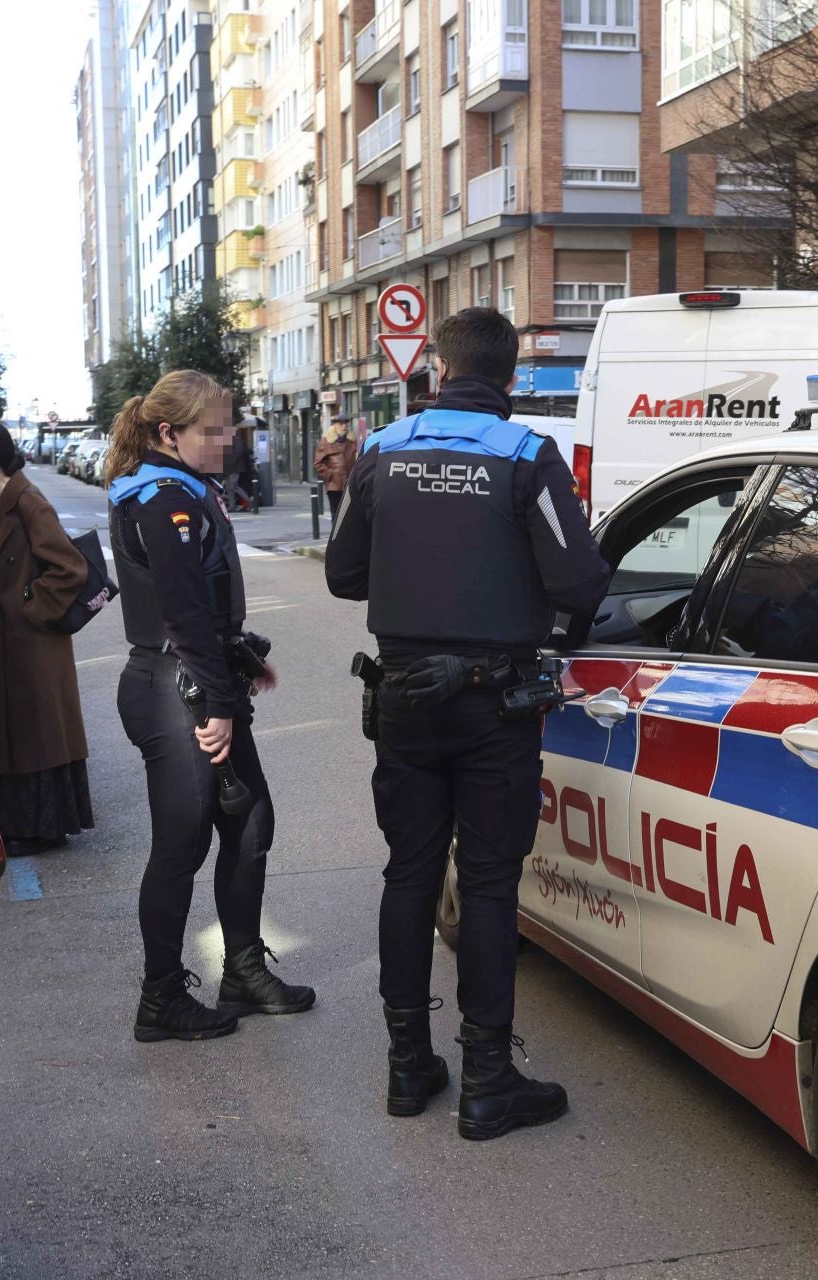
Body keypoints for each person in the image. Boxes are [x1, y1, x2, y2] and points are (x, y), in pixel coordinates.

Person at [325, 306, 610, 1139]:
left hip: (404, 700)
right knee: (487, 884)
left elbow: (345, 576)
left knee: (408, 875)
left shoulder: (381, 452)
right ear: (513, 377)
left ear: (438, 372)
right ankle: (488, 1080)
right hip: (494, 706)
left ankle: (407, 1067)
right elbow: (582, 585)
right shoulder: (527, 456)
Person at [107, 371, 314, 1044]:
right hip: (176, 692)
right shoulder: (162, 498)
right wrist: (218, 702)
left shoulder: (186, 491)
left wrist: (242, 657)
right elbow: (181, 613)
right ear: (168, 433)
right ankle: (159, 996)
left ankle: (243, 971)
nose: (226, 441)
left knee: (250, 824)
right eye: (211, 430)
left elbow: (206, 608)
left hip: (196, 681)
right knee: (182, 845)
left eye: (229, 427)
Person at [0, 420, 95, 854]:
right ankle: (24, 824)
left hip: (34, 642)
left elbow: (70, 568)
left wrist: (28, 606)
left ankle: (44, 828)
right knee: (21, 731)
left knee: (38, 732)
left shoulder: (28, 503)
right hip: (11, 641)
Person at [312, 421, 357, 524]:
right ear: (335, 426)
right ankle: (335, 538)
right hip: (334, 485)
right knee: (336, 513)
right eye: (341, 424)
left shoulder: (352, 441)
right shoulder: (326, 441)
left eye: (346, 424)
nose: (344, 426)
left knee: (349, 514)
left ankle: (347, 538)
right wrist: (329, 474)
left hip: (350, 484)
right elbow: (318, 462)